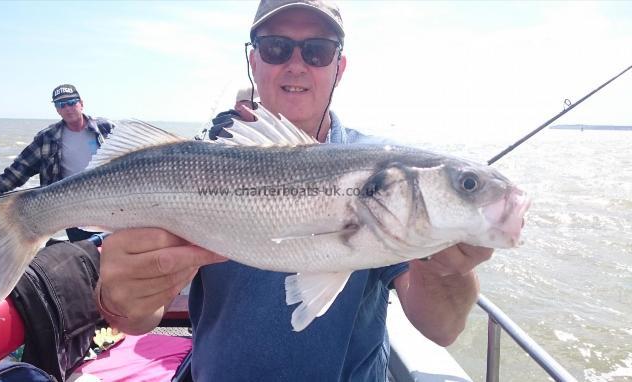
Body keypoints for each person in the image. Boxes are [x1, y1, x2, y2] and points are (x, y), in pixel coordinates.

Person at [96, 1, 493, 380]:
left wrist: (445, 265)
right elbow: (134, 320)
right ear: (254, 62)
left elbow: (441, 329)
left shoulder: (385, 174)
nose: (296, 65)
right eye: (276, 48)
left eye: (318, 51)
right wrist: (118, 300)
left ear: (339, 67)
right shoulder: (198, 168)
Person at [0, 84, 115, 242]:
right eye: (61, 105)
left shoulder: (106, 128)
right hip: (73, 210)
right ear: (57, 110)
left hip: (114, 202)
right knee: (87, 254)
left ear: (81, 103)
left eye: (71, 102)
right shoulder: (47, 137)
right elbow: (20, 168)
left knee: (119, 249)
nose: (68, 108)